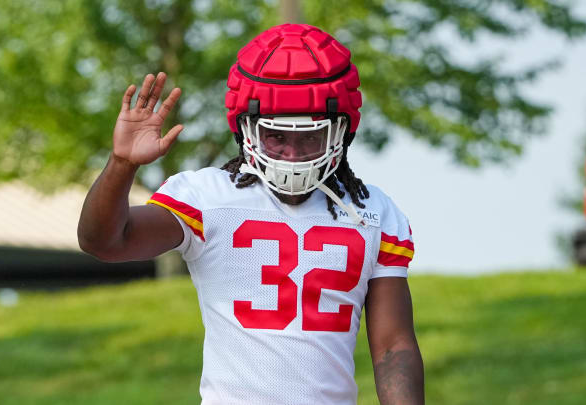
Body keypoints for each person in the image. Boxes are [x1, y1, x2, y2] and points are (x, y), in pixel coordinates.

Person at [78, 24, 424, 405]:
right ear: (246, 130)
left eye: (310, 137)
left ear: (341, 131)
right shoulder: (205, 196)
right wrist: (121, 164)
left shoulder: (373, 212)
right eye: (277, 137)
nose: (292, 155)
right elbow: (105, 241)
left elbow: (393, 347)